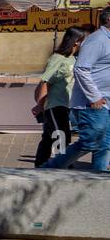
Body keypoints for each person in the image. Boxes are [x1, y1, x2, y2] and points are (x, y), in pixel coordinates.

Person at [44, 11, 110, 172]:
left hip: (106, 101)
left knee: (105, 143)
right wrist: (94, 97)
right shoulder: (97, 40)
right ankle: (50, 168)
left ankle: (97, 180)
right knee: (90, 141)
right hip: (92, 103)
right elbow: (81, 69)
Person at [33, 27, 86, 167]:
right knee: (61, 136)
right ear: (76, 42)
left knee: (49, 137)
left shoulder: (74, 59)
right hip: (55, 106)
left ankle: (41, 165)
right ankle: (61, 165)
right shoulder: (57, 58)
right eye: (83, 41)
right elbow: (45, 81)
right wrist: (40, 105)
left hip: (68, 106)